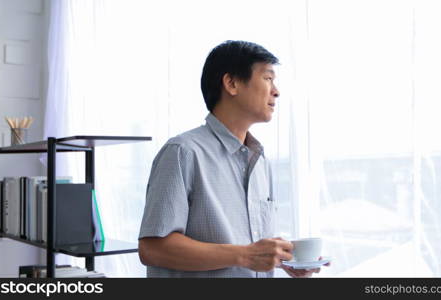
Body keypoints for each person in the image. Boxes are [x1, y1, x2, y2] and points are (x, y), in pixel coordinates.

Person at [138, 40, 324, 277]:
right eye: (267, 78)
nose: (276, 91)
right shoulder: (182, 152)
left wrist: (280, 260)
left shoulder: (261, 162)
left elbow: (246, 251)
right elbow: (152, 249)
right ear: (232, 83)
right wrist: (246, 255)